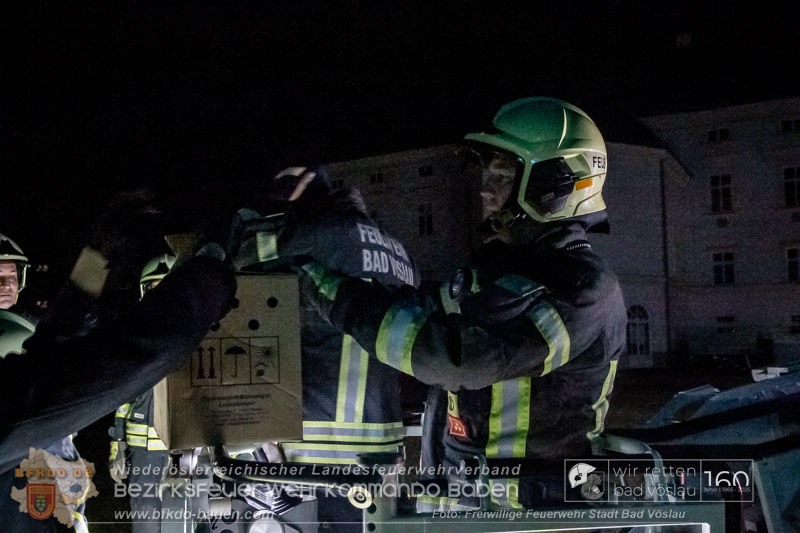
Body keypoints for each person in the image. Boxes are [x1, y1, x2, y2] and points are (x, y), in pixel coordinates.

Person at [293, 97, 627, 509]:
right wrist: (354, 228)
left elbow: (458, 360)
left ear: (554, 183)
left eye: (502, 175)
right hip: (469, 510)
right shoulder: (494, 273)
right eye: (488, 173)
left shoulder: (582, 289)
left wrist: (328, 292)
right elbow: (415, 310)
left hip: (535, 516)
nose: (486, 189)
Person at [228, 168, 419, 529]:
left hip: (315, 454)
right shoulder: (397, 251)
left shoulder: (316, 236)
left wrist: (245, 220)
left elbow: (244, 256)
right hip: (380, 451)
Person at [108, 254, 175, 533]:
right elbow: (122, 400)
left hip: (182, 457)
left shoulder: (200, 337)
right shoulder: (133, 339)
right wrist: (117, 447)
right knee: (145, 524)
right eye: (154, 289)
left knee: (180, 522)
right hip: (141, 456)